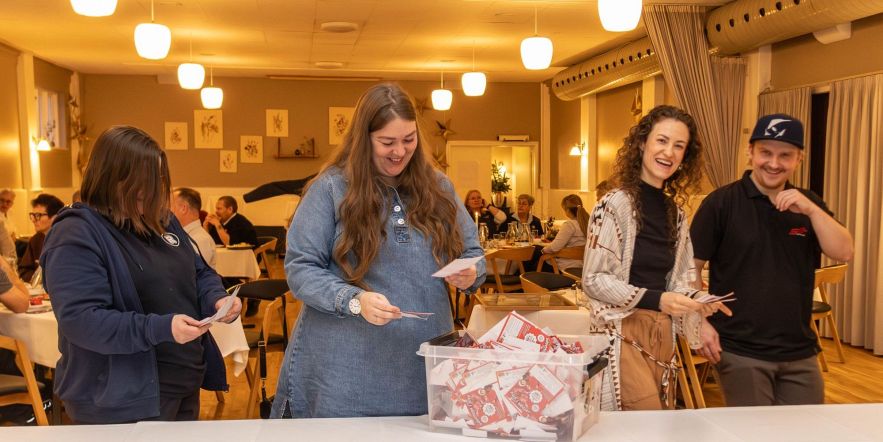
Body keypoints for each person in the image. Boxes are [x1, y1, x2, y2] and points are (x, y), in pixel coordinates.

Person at [271, 83, 485, 418]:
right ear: (363, 139)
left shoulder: (439, 187)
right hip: (345, 370)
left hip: (422, 364)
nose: (399, 151)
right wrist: (353, 300)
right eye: (387, 142)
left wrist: (471, 272)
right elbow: (301, 269)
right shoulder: (331, 188)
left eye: (409, 139)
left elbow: (473, 251)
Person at [41, 126, 241, 424]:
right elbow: (82, 321)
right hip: (119, 399)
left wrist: (216, 298)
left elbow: (199, 272)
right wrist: (161, 328)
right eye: (143, 182)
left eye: (157, 180)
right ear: (112, 177)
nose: (152, 191)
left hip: (182, 381)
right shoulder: (76, 232)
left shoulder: (162, 220)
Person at [690, 114, 854, 407]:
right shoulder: (721, 202)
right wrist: (698, 322)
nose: (774, 163)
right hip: (740, 350)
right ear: (750, 152)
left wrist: (812, 210)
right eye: (766, 152)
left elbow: (844, 252)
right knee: (756, 430)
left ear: (799, 159)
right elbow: (690, 267)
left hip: (800, 350)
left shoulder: (808, 203)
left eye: (785, 155)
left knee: (808, 428)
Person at [581, 105, 730, 411]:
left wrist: (697, 300)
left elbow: (677, 282)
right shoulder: (613, 205)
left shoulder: (675, 214)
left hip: (662, 334)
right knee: (646, 419)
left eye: (679, 146)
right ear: (641, 144)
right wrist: (659, 300)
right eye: (662, 141)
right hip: (623, 332)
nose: (669, 152)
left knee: (658, 420)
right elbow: (593, 280)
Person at [18, 193, 64, 281]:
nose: (33, 220)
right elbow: (24, 270)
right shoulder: (36, 240)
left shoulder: (65, 240)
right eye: (33, 215)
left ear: (54, 217)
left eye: (38, 215)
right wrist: (39, 275)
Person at [172, 187, 217, 270]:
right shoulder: (181, 234)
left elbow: (187, 273)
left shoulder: (200, 240)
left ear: (183, 209)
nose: (164, 210)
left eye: (169, 206)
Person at [541, 194, 588, 271]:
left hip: (565, 266)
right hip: (583, 266)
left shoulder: (570, 225)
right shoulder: (588, 223)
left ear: (567, 210)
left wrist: (543, 250)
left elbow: (554, 247)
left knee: (536, 259)